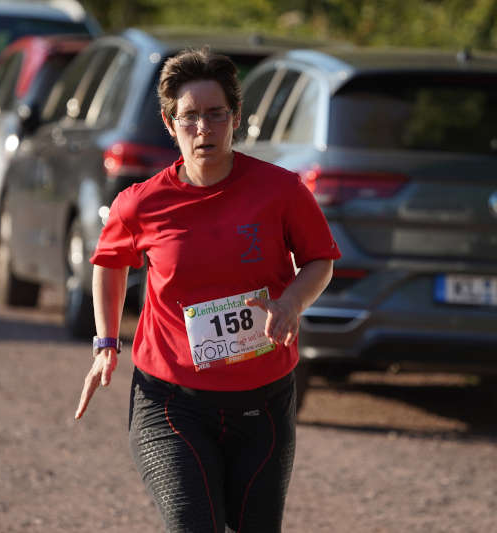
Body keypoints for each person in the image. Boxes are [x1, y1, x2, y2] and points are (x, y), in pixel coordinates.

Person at [74, 48, 340, 533]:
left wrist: (291, 302)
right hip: (170, 400)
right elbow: (109, 263)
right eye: (190, 117)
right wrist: (106, 343)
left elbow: (320, 260)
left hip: (263, 400)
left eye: (216, 114)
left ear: (235, 118)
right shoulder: (141, 203)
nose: (203, 129)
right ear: (169, 123)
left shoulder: (280, 191)